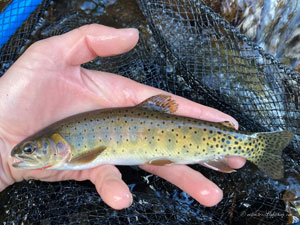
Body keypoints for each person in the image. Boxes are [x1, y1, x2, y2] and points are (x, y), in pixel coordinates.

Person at [0, 24, 245, 210]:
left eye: (30, 149)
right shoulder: (64, 145)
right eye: (29, 150)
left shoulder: (73, 152)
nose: (23, 154)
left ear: (53, 142)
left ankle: (246, 146)